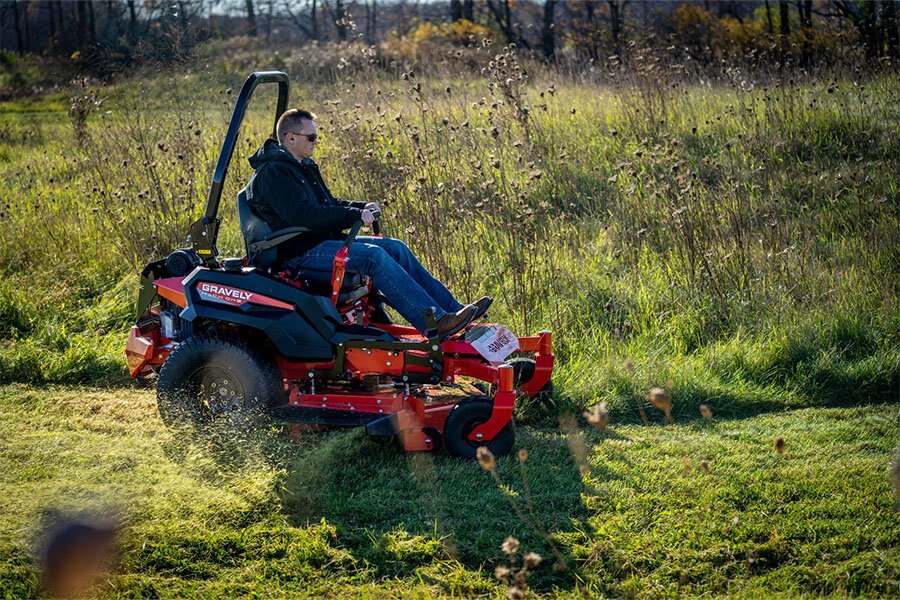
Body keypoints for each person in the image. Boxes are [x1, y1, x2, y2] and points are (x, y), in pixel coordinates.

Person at [246, 108, 491, 337]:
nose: (315, 142)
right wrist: (353, 216)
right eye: (311, 137)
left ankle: (455, 312)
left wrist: (360, 207)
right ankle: (434, 323)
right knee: (374, 257)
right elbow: (303, 215)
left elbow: (328, 203)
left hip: (320, 242)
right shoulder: (275, 173)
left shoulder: (302, 168)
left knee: (394, 247)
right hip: (299, 252)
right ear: (290, 138)